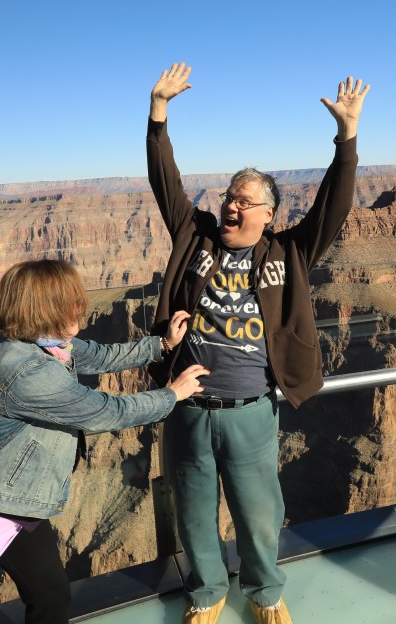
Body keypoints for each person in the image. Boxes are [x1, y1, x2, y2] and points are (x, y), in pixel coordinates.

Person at [146, 63, 369, 624]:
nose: (231, 205)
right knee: (195, 511)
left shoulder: (288, 252)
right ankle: (206, 595)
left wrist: (346, 139)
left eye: (244, 200)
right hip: (187, 406)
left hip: (250, 410)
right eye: (229, 196)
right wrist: (158, 113)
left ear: (269, 214)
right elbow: (164, 182)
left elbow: (333, 208)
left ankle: (265, 594)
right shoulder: (193, 236)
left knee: (258, 510)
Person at [0, 258, 209, 624]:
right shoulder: (26, 369)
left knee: (52, 599)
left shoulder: (48, 347)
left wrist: (160, 345)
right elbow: (105, 411)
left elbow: (100, 355)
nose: (81, 311)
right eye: (73, 303)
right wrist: (172, 395)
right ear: (47, 310)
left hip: (17, 509)